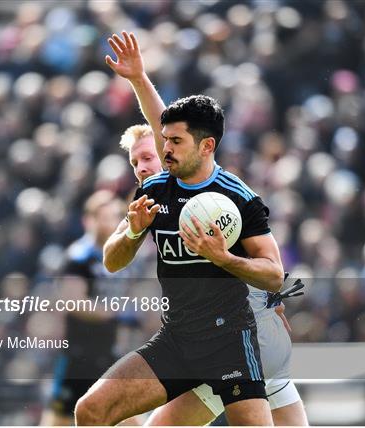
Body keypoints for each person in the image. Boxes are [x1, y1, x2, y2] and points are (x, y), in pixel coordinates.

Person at [74, 36, 291, 427]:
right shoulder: (155, 191)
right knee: (90, 410)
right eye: (165, 140)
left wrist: (223, 258)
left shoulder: (237, 198)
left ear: (206, 146)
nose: (165, 149)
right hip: (177, 340)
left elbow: (274, 273)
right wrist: (133, 232)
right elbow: (111, 259)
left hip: (230, 342)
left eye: (175, 141)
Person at [117, 88, 308, 425]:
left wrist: (138, 78)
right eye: (135, 162)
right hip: (233, 340)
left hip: (242, 341)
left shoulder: (217, 193)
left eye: (148, 158)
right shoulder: (166, 191)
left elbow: (268, 270)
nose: (143, 167)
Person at [41, 190, 127, 426]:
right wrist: (112, 312)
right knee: (60, 419)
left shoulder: (118, 255)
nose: (111, 223)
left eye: (115, 216)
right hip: (81, 354)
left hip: (107, 352)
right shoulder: (79, 257)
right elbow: (72, 300)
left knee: (126, 416)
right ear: (89, 220)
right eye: (105, 217)